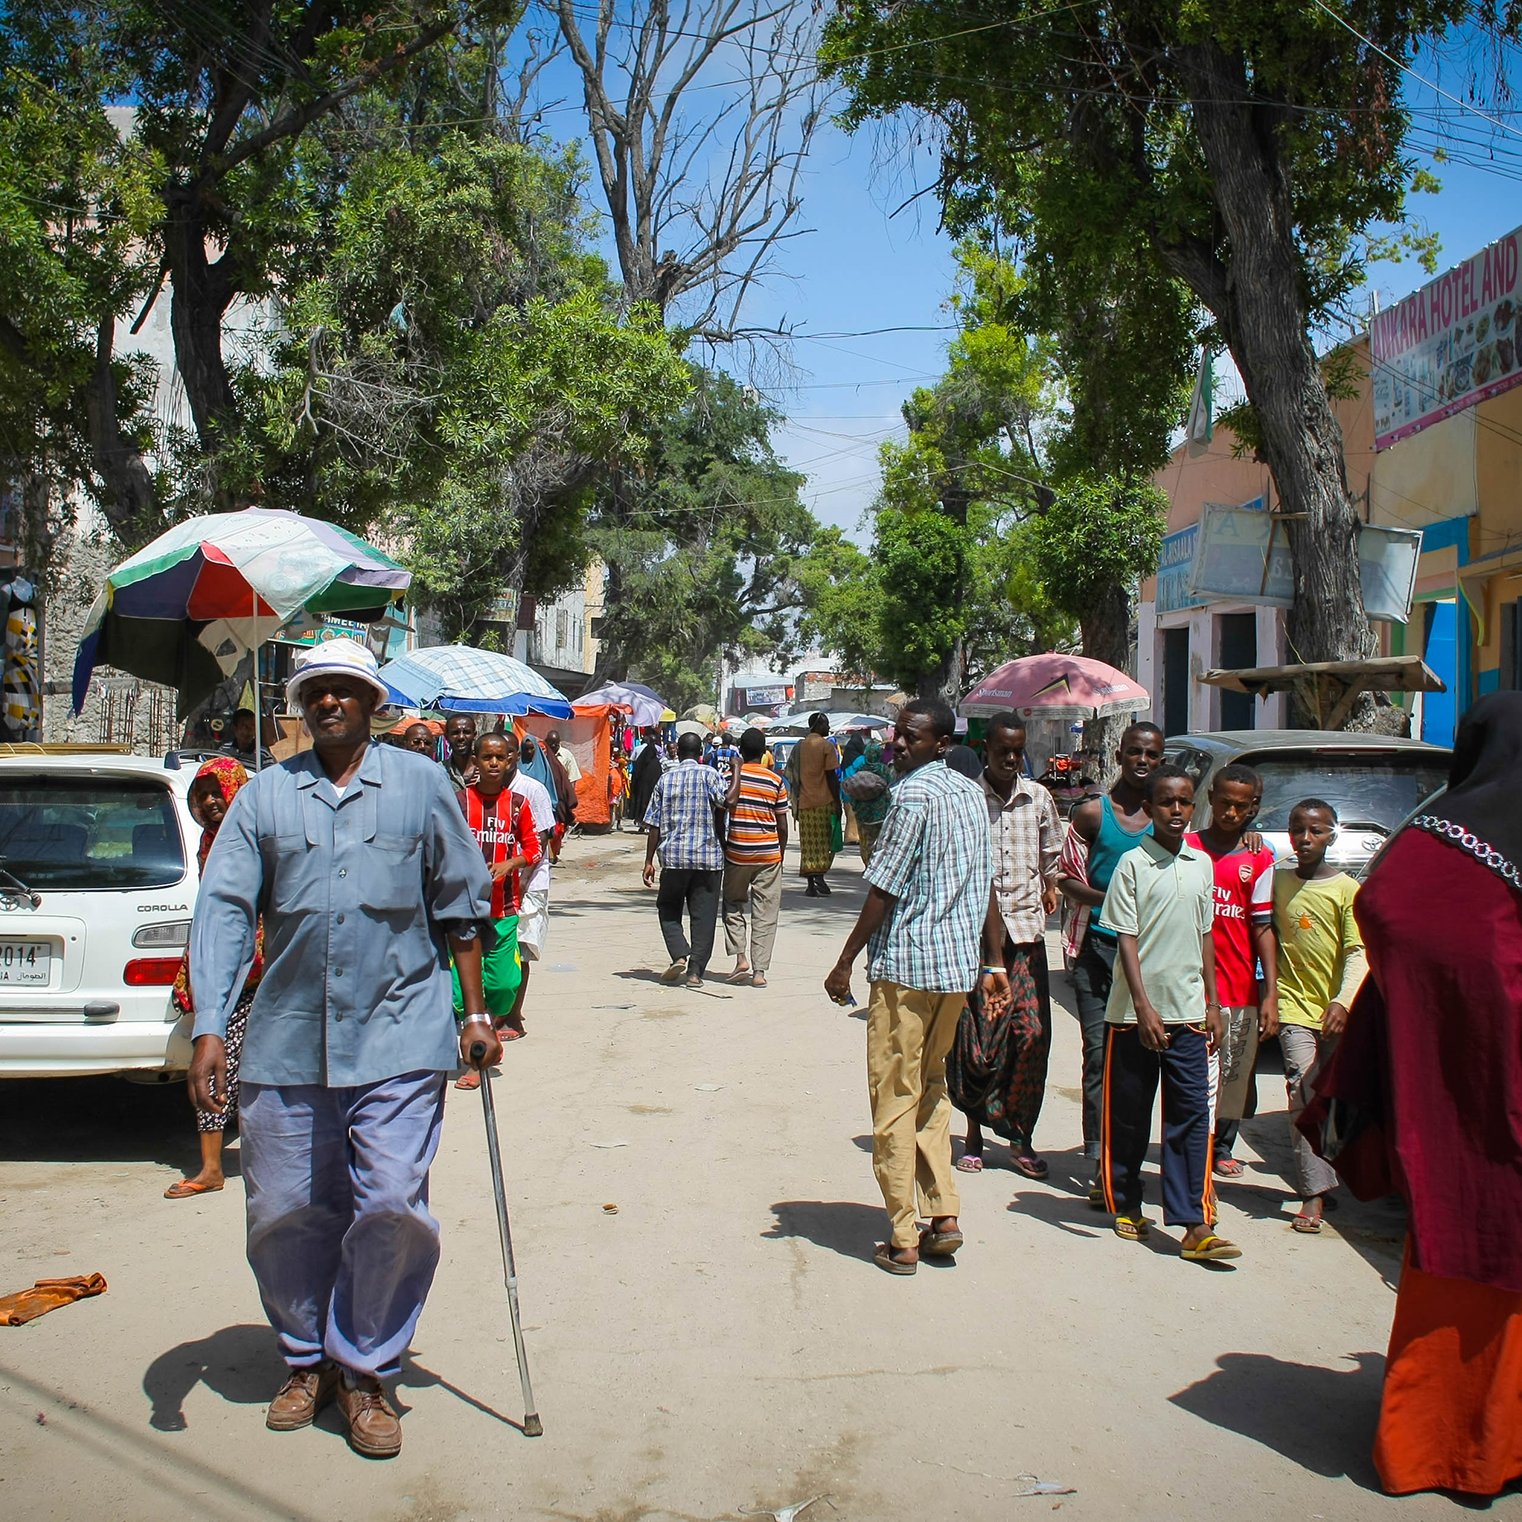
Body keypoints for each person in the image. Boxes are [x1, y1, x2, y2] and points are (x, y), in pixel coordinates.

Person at [186, 637, 496, 1459]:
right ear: (302, 705)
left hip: (401, 1032)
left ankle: (365, 1368)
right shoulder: (262, 800)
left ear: (370, 703)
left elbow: (461, 906)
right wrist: (211, 1023)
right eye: (315, 690)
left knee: (391, 1201)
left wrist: (476, 1013)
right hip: (287, 1039)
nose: (329, 702)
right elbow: (221, 910)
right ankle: (305, 1358)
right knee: (285, 1211)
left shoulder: (424, 784)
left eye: (344, 690)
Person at [1303, 694, 1522, 1497]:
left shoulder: (1432, 837)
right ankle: (1478, 1451)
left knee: (1457, 1260)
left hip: (1451, 1110)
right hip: (1490, 1106)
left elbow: (1387, 910)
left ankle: (1438, 1447)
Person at [824, 699, 996, 1276]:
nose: (899, 744)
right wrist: (990, 961)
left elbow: (883, 889)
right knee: (931, 1086)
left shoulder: (913, 798)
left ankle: (902, 1234)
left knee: (895, 1097)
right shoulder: (973, 796)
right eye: (898, 735)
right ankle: (943, 1213)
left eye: (912, 738)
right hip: (954, 972)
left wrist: (845, 960)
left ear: (940, 744)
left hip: (906, 970)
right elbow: (984, 886)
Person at [1099, 765, 1239, 1262]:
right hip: (1136, 1016)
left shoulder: (1200, 865)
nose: (1176, 811)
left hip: (1189, 1013)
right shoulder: (1133, 865)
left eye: (1184, 802)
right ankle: (1126, 1203)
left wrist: (1213, 1002)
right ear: (1150, 809)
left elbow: (1206, 937)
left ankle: (1192, 1222)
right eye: (1166, 803)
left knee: (1190, 1117)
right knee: (1131, 1117)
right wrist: (1142, 1006)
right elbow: (1126, 938)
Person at [948, 714, 1062, 1178]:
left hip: (1027, 934)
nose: (1011, 759)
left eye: (1018, 751)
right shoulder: (968, 800)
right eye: (1003, 751)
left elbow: (1052, 854)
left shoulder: (1038, 798)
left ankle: (1020, 1136)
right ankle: (974, 1134)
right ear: (985, 748)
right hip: (978, 939)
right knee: (981, 1044)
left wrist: (1052, 884)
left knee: (1031, 1036)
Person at [1060, 721, 1163, 1195]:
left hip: (1150, 957)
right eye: (1136, 752)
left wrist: (1250, 841)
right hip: (1097, 952)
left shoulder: (1168, 818)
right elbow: (1065, 879)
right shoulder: (1091, 815)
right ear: (1119, 755)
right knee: (1099, 1055)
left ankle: (1127, 1156)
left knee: (1137, 1061)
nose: (1143, 761)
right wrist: (1113, 900)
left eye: (1153, 755)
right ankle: (1098, 1158)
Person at [1254, 798, 1366, 1232]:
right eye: (1298, 830)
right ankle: (1313, 1194)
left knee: (1334, 1097)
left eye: (1316, 831)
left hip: (1336, 1010)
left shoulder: (1345, 891)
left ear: (1331, 835)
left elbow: (1359, 952)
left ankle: (1332, 1172)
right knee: (1302, 1088)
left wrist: (1343, 1001)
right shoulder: (1278, 880)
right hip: (1292, 1005)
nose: (1305, 839)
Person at [164, 758, 264, 1199]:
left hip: (261, 967)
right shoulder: (208, 842)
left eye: (215, 792)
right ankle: (210, 1166)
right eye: (200, 795)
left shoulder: (255, 838)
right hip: (226, 973)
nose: (209, 802)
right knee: (213, 1062)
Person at [1186, 766, 1278, 1180]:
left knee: (1233, 1072)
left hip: (1238, 984)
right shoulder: (1185, 847)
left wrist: (1270, 991)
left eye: (1241, 806)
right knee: (1193, 1074)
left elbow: (1262, 926)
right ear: (1211, 799)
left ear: (1253, 808)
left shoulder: (1259, 857)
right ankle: (1192, 1143)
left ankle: (1223, 1145)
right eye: (1224, 803)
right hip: (1188, 985)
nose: (1231, 812)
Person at [451, 732, 541, 1088]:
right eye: (486, 757)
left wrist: (509, 864)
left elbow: (534, 848)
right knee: (460, 993)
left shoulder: (518, 804)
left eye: (500, 758)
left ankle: (489, 1026)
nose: (493, 763)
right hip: (462, 911)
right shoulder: (459, 803)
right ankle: (476, 1055)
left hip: (503, 910)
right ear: (475, 759)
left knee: (504, 984)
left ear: (509, 761)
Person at [642, 732, 734, 988]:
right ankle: (695, 972)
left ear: (678, 752)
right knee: (703, 916)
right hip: (708, 858)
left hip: (673, 858)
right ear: (700, 753)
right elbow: (726, 803)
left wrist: (649, 860)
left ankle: (680, 953)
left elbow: (653, 824)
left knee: (668, 908)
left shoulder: (665, 780)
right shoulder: (710, 775)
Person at [720, 727, 790, 988]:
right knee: (766, 912)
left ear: (741, 751)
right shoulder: (775, 781)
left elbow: (720, 811)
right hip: (768, 853)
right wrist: (779, 852)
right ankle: (759, 972)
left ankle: (740, 958)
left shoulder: (730, 776)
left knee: (732, 903)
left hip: (738, 851)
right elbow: (782, 824)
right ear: (763, 754)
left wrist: (724, 844)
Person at [505, 728, 557, 1044]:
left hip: (528, 882)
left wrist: (522, 882)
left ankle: (513, 1015)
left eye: (507, 754)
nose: (498, 761)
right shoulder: (482, 791)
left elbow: (540, 837)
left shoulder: (532, 789)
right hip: (493, 882)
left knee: (521, 948)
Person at [794, 712, 841, 896]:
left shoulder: (800, 747)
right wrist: (837, 802)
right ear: (817, 725)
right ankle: (819, 875)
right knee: (825, 843)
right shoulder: (826, 746)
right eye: (826, 724)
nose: (828, 727)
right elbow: (831, 777)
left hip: (804, 803)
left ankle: (811, 884)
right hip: (825, 801)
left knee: (808, 845)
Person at [842, 737, 895, 865]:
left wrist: (854, 806)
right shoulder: (884, 770)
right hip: (880, 812)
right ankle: (877, 865)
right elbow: (891, 788)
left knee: (865, 840)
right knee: (880, 840)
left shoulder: (861, 768)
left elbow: (854, 789)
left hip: (863, 813)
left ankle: (867, 863)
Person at [545, 730, 582, 833]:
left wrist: (568, 797)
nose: (552, 747)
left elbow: (572, 779)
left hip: (560, 797)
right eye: (550, 745)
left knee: (559, 826)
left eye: (555, 745)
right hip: (546, 796)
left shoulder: (567, 756)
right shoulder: (543, 755)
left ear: (559, 743)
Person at [631, 729, 663, 831]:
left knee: (642, 805)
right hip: (652, 791)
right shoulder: (657, 764)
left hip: (642, 790)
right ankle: (648, 825)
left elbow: (636, 774)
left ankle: (641, 824)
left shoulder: (641, 762)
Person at [443, 714, 478, 789]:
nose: (461, 737)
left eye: (466, 732)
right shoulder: (439, 771)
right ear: (446, 737)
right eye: (455, 733)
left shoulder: (486, 769)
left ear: (474, 735)